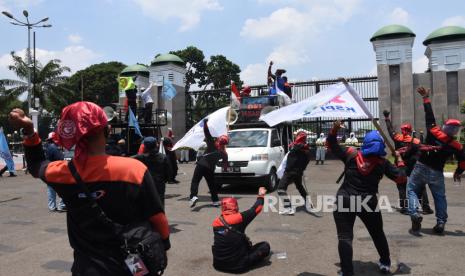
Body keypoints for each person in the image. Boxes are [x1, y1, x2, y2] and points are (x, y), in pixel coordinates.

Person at [9, 102, 170, 275]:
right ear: (107, 130)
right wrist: (162, 246)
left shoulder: (64, 173)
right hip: (131, 265)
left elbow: (36, 165)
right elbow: (158, 218)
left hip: (86, 268)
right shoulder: (133, 169)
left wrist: (29, 130)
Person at [327, 120, 406, 276]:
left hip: (345, 199)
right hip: (368, 202)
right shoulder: (383, 163)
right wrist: (399, 160)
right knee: (377, 233)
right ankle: (385, 263)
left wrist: (335, 128)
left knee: (345, 237)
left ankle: (347, 272)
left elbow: (331, 144)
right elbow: (401, 179)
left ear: (365, 143)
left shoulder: (351, 154)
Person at [407, 87, 465, 235]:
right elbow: (463, 161)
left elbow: (429, 115)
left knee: (412, 189)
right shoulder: (457, 146)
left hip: (421, 166)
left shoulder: (434, 131)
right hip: (437, 172)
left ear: (445, 127)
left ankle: (414, 213)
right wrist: (458, 172)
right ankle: (440, 222)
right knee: (439, 197)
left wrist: (426, 98)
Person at [383, 111, 434, 215]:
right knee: (420, 186)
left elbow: (390, 130)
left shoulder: (397, 138)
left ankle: (405, 208)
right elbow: (421, 153)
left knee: (401, 186)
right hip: (414, 166)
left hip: (401, 166)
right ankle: (425, 207)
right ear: (411, 131)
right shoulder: (416, 141)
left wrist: (387, 118)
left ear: (402, 130)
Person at [212, 187, 270, 273]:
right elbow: (257, 208)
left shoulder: (216, 222)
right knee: (265, 246)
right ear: (235, 207)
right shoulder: (240, 218)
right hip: (238, 266)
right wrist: (261, 194)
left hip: (218, 264)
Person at [189, 119, 228, 208]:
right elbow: (225, 165)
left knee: (195, 181)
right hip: (210, 169)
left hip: (201, 165)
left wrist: (205, 123)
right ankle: (215, 201)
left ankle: (194, 196)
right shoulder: (224, 153)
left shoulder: (212, 145)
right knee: (212, 184)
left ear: (219, 140)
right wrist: (219, 163)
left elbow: (206, 132)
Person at [277, 131, 312, 215]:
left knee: (280, 188)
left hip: (290, 172)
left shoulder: (298, 146)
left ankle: (288, 208)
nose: (295, 137)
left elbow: (296, 148)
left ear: (299, 137)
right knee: (299, 186)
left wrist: (288, 170)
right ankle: (308, 203)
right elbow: (306, 161)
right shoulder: (305, 149)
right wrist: (301, 169)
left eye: (297, 136)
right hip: (298, 172)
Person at [132, 136, 172, 207]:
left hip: (146, 184)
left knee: (146, 205)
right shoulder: (163, 157)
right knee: (159, 205)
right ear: (155, 145)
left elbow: (128, 160)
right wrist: (164, 180)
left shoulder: (140, 157)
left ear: (145, 146)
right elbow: (168, 172)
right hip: (159, 184)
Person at [44, 132, 66, 212]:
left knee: (51, 189)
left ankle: (52, 206)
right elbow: (61, 158)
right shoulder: (54, 147)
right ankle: (62, 205)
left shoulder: (48, 146)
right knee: (64, 188)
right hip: (55, 170)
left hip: (49, 169)